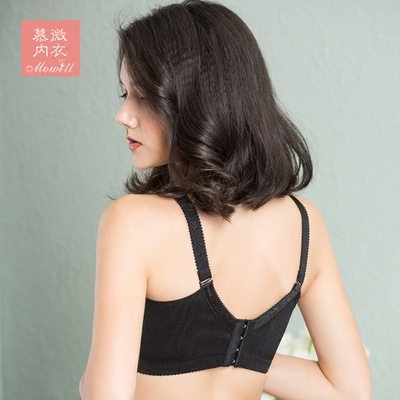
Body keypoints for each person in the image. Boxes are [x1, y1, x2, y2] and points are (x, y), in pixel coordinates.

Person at [79, 1, 372, 399]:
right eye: (125, 93)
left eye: (143, 96)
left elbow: (105, 395)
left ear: (197, 99)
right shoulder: (305, 224)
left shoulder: (132, 221)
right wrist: (243, 358)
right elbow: (349, 391)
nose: (123, 115)